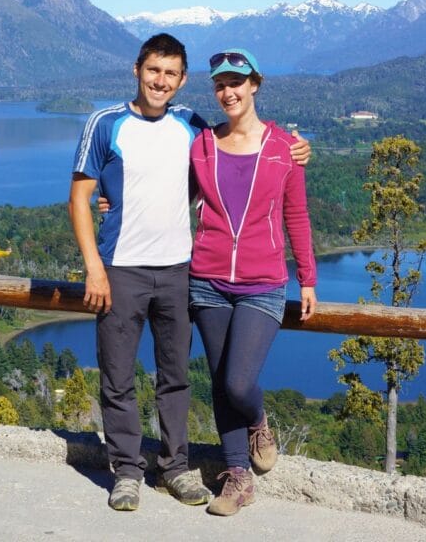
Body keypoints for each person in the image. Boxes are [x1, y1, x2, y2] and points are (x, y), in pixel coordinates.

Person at [68, 34, 309, 512]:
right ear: (137, 69)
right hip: (121, 270)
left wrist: (298, 149)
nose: (160, 81)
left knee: (175, 376)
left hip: (181, 269)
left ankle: (175, 468)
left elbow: (237, 162)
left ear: (181, 80)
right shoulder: (104, 123)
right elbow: (80, 197)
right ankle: (128, 471)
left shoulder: (192, 127)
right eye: (153, 70)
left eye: (171, 74)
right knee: (117, 376)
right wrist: (94, 267)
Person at [188, 48, 318, 516]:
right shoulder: (201, 144)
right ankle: (237, 476)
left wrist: (307, 279)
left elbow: (296, 216)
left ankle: (259, 420)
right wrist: (112, 202)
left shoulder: (285, 148)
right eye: (220, 85)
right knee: (220, 383)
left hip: (263, 281)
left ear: (255, 84)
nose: (228, 92)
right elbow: (166, 192)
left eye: (237, 82)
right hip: (207, 279)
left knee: (240, 384)